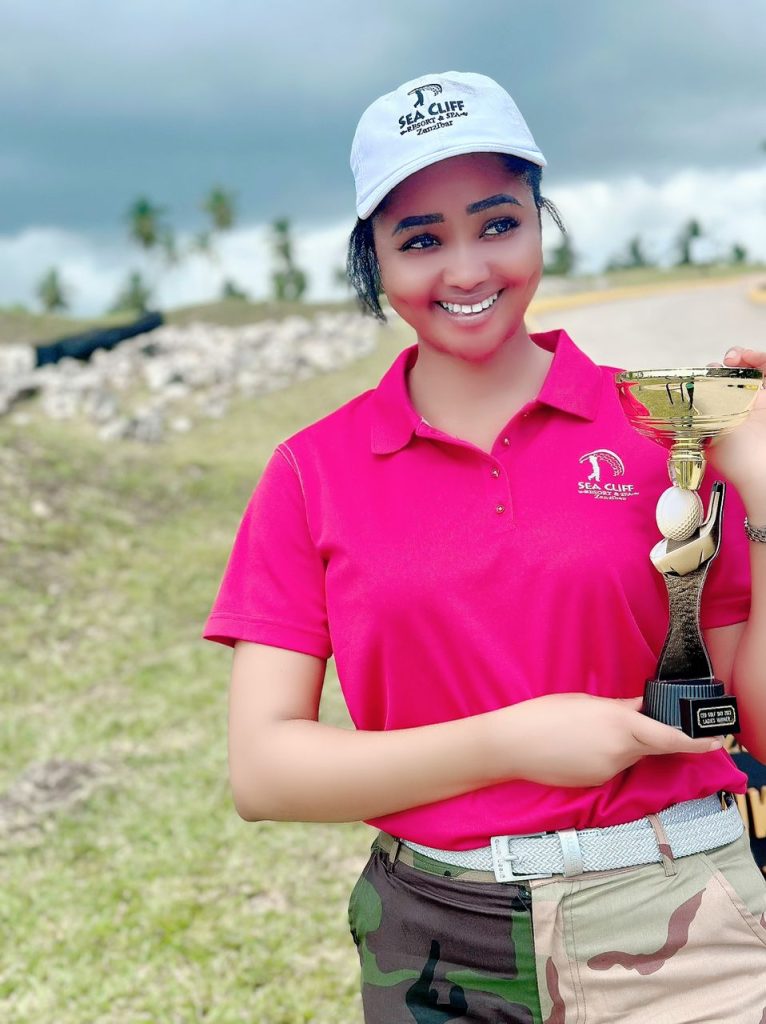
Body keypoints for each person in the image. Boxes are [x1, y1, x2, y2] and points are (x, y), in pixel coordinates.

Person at [203, 71, 766, 1023]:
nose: (466, 271)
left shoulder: (664, 426)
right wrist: (514, 742)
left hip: (684, 921)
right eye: (421, 240)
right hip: (434, 943)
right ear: (374, 260)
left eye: (498, 223)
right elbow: (264, 770)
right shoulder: (311, 471)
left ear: (540, 224)